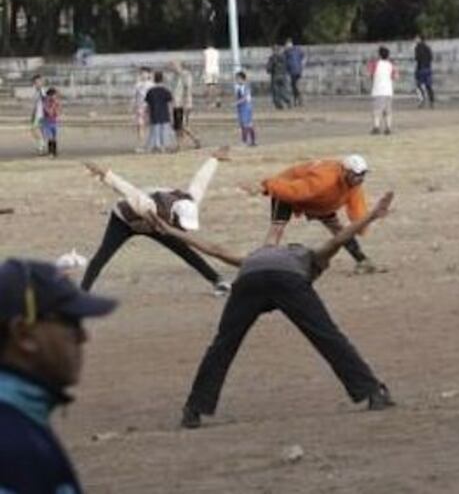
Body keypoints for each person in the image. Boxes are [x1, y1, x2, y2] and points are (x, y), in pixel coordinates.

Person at [155, 192, 397, 430]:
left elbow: (215, 249)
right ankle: (372, 392)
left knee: (222, 345)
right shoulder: (310, 257)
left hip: (249, 281)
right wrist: (372, 215)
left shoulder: (256, 255)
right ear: (317, 269)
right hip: (288, 281)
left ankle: (193, 409)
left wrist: (172, 231)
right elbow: (338, 239)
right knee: (328, 337)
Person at [0, 258, 117, 493]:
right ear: (23, 334)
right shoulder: (13, 445)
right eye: (71, 322)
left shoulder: (23, 420)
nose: (83, 336)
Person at [80, 148, 233, 296]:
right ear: (175, 217)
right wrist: (105, 174)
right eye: (182, 225)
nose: (183, 229)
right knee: (103, 255)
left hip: (157, 224)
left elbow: (200, 181)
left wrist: (214, 159)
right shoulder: (150, 206)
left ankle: (217, 280)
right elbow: (129, 190)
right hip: (125, 219)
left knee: (184, 251)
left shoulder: (190, 202)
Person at [249, 155, 380, 274]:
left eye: (363, 174)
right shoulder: (324, 180)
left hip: (320, 200)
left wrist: (362, 226)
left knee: (338, 229)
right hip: (285, 188)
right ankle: (264, 264)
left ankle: (363, 261)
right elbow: (295, 190)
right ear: (345, 171)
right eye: (357, 174)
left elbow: (357, 207)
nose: (360, 178)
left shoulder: (353, 184)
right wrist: (267, 186)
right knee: (277, 228)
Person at [171, 62, 202, 150]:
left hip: (182, 103)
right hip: (176, 104)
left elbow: (187, 89)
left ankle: (195, 138)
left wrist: (187, 102)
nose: (172, 68)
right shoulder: (174, 77)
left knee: (183, 125)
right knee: (177, 126)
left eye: (174, 65)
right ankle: (179, 145)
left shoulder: (185, 75)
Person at [144, 71, 176, 153]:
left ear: (154, 79)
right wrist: (172, 115)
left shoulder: (150, 91)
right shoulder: (166, 91)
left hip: (154, 114)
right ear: (162, 80)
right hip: (165, 114)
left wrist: (147, 116)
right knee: (164, 132)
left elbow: (147, 105)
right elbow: (170, 104)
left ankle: (156, 146)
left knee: (154, 132)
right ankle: (164, 147)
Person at [368, 46, 397, 134]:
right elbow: (395, 76)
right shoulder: (391, 64)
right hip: (388, 91)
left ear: (379, 55)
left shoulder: (375, 64)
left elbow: (370, 74)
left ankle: (376, 127)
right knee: (387, 111)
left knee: (377, 110)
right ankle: (388, 128)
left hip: (378, 91)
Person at [133, 66, 152, 152]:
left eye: (145, 73)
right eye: (141, 73)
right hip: (140, 107)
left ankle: (150, 144)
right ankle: (141, 145)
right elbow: (135, 96)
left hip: (149, 107)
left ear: (149, 74)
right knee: (140, 127)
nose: (143, 75)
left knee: (150, 127)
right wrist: (134, 106)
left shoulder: (151, 85)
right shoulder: (138, 85)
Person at [266, 45, 291, 110]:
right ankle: (285, 102)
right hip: (281, 76)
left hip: (277, 76)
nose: (275, 51)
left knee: (278, 91)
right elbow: (287, 66)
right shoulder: (283, 57)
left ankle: (281, 104)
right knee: (281, 91)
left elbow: (269, 68)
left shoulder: (273, 58)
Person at [234, 71, 256, 146]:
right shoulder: (238, 87)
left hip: (246, 107)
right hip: (241, 108)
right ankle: (251, 141)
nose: (237, 80)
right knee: (245, 125)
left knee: (246, 125)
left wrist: (237, 102)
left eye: (238, 79)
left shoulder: (246, 87)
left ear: (242, 79)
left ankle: (246, 141)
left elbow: (245, 98)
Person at [414, 35, 435, 109]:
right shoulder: (428, 47)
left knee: (418, 85)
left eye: (416, 38)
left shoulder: (417, 48)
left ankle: (422, 99)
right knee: (428, 86)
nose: (415, 39)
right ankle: (431, 101)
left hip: (421, 69)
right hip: (428, 68)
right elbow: (431, 57)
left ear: (420, 39)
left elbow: (417, 58)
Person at [40, 88, 61, 158]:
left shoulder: (56, 102)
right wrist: (53, 105)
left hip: (54, 122)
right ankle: (51, 152)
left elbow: (57, 113)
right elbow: (50, 113)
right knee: (50, 138)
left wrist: (56, 106)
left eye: (55, 95)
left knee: (54, 138)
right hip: (47, 123)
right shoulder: (45, 103)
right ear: (50, 95)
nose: (55, 97)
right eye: (54, 95)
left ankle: (54, 152)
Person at [29, 74, 46, 156]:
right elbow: (36, 104)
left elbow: (45, 101)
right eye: (36, 82)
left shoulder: (41, 91)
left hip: (40, 114)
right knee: (36, 130)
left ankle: (41, 146)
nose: (37, 83)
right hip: (37, 113)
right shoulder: (37, 91)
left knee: (34, 129)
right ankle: (41, 146)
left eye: (39, 81)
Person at [285, 39, 306, 107]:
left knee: (295, 86)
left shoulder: (287, 52)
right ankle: (297, 100)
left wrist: (301, 64)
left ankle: (299, 100)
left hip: (294, 71)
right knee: (295, 86)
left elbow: (285, 61)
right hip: (296, 71)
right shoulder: (297, 50)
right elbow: (303, 56)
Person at [203, 43, 221, 108]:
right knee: (215, 86)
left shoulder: (205, 52)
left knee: (209, 87)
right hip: (216, 70)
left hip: (208, 70)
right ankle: (217, 99)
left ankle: (209, 102)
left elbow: (204, 61)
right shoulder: (217, 51)